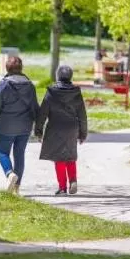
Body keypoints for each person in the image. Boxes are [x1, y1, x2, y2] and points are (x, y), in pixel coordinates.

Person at [0, 56, 39, 194]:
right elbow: (35, 108)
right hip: (25, 126)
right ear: (21, 68)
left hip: (7, 126)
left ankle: (10, 174)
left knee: (2, 152)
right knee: (19, 155)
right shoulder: (30, 85)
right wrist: (39, 127)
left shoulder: (4, 85)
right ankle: (17, 187)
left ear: (7, 68)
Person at [35, 64, 88, 195]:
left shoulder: (51, 92)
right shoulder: (76, 93)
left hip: (55, 127)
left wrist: (38, 131)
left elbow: (43, 113)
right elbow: (82, 115)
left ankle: (63, 187)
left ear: (58, 76)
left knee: (59, 158)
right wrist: (83, 134)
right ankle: (73, 181)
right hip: (72, 127)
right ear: (71, 76)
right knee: (70, 155)